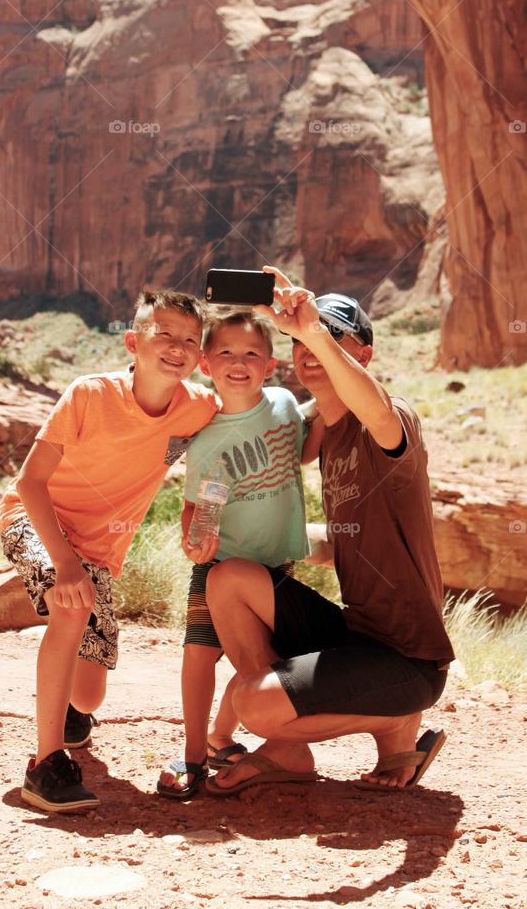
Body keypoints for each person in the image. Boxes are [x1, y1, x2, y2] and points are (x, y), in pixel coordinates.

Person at [204, 266, 454, 796]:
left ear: (362, 356)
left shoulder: (388, 421)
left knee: (254, 703)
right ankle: (287, 749)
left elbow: (375, 406)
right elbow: (345, 541)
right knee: (229, 578)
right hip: (356, 635)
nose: (311, 347)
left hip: (407, 659)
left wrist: (312, 328)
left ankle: (392, 723)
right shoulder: (330, 434)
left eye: (334, 335)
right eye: (299, 340)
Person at [0, 289, 219, 813]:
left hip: (98, 554)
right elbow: (30, 484)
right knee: (71, 605)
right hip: (34, 520)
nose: (176, 346)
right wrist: (66, 563)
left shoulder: (198, 409)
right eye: (162, 333)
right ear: (132, 341)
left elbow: (228, 446)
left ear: (200, 355)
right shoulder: (89, 394)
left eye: (189, 339)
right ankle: (46, 765)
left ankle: (72, 716)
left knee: (90, 695)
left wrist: (201, 523)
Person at [157, 308, 323, 798]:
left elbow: (303, 452)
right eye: (225, 352)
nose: (239, 361)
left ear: (270, 366)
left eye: (252, 353)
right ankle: (191, 752)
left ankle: (220, 738)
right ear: (205, 364)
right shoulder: (203, 432)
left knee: (255, 660)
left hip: (275, 563)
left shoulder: (284, 404)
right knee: (200, 655)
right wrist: (194, 540)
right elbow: (198, 505)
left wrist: (333, 414)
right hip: (219, 564)